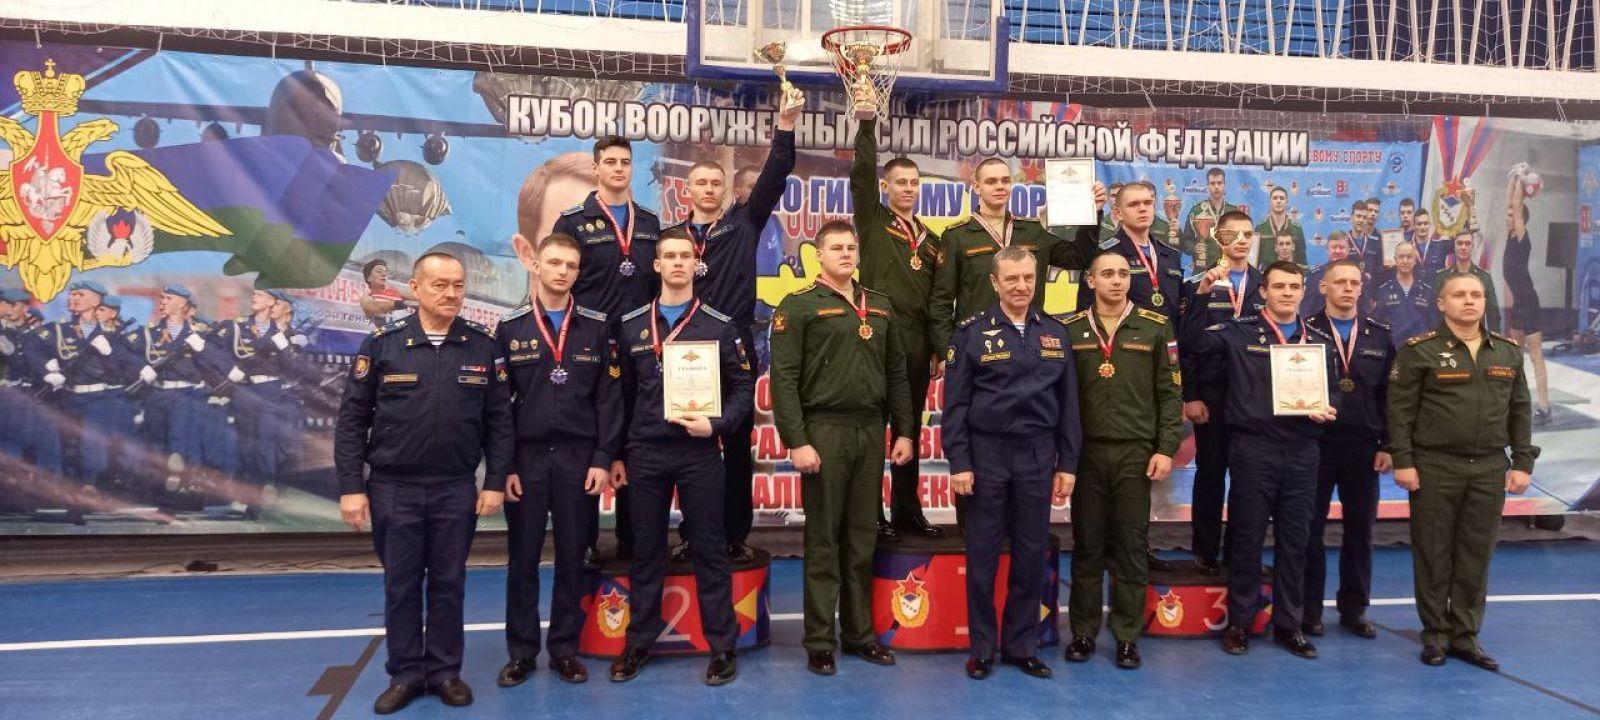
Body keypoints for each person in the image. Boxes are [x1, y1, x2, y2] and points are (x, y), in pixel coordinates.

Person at [334, 252, 512, 714]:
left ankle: (446, 671)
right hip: (394, 488)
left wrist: (494, 481)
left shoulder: (482, 345)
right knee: (402, 586)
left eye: (458, 285)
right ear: (415, 288)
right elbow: (352, 421)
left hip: (455, 487)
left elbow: (499, 421)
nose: (451, 293)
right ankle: (407, 674)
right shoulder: (383, 345)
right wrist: (351, 487)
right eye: (439, 285)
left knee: (450, 583)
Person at [607, 228, 752, 686]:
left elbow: (743, 388)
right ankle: (638, 644)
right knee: (646, 551)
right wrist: (616, 454)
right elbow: (619, 397)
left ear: (695, 265)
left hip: (699, 452)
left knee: (709, 548)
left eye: (684, 256)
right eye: (668, 256)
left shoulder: (719, 325)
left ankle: (722, 646)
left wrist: (718, 424)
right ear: (657, 265)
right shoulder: (631, 325)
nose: (676, 263)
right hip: (645, 453)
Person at [770, 220, 914, 676]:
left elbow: (897, 374)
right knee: (824, 540)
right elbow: (783, 380)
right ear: (818, 255)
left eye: (851, 247)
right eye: (837, 248)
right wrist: (797, 440)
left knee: (862, 538)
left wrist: (905, 431)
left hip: (870, 430)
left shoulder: (881, 306)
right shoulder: (798, 306)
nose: (847, 254)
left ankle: (859, 634)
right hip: (824, 431)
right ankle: (819, 640)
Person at [664, 91, 798, 562]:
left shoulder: (744, 224)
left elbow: (775, 175)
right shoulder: (673, 240)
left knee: (737, 446)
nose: (708, 189)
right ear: (687, 191)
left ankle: (735, 535)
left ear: (725, 190)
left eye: (715, 183)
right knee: (689, 448)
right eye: (700, 183)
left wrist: (785, 125)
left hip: (735, 348)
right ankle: (692, 534)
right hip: (685, 353)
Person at [931, 158, 1101, 526]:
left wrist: (1092, 213)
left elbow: (1078, 257)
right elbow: (941, 301)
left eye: (1005, 180)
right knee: (976, 453)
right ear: (976, 187)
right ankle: (974, 536)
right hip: (979, 358)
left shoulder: (1032, 231)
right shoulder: (957, 236)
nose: (999, 187)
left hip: (1029, 353)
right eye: (991, 181)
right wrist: (947, 352)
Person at [1181, 260, 1339, 659]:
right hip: (1254, 449)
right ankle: (1239, 623)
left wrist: (1328, 407)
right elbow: (1193, 344)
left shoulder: (1318, 340)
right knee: (1247, 538)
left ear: (1304, 292)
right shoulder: (1238, 332)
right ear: (1263, 292)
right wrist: (1201, 297)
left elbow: (1335, 389)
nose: (1287, 293)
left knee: (1295, 541)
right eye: (1279, 286)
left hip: (1303, 449)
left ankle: (1289, 625)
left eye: (1294, 287)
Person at [943, 246, 1081, 681]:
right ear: (994, 282)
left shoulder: (1055, 333)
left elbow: (1069, 406)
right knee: (982, 556)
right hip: (986, 456)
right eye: (1012, 279)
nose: (1021, 286)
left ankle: (1022, 647)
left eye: (1028, 278)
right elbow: (955, 405)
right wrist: (960, 462)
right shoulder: (970, 333)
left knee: (1030, 555)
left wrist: (1068, 464)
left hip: (1038, 455)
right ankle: (982, 648)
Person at [1388, 272, 1538, 670]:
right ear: (1442, 303)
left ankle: (1465, 636)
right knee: (1434, 553)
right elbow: (1399, 412)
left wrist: (1523, 462)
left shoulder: (1507, 352)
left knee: (1476, 554)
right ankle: (1436, 635)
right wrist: (1403, 460)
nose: (1469, 301)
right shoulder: (1419, 351)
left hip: (1489, 466)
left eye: (1476, 294)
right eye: (1459, 295)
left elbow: (1520, 409)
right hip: (1435, 465)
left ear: (1485, 302)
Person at [495, 233, 624, 687]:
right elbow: (498, 407)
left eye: (570, 265)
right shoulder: (510, 328)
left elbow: (609, 398)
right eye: (554, 263)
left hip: (578, 460)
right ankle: (522, 653)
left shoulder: (596, 327)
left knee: (574, 558)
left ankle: (565, 650)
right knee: (523, 561)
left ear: (578, 272)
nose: (562, 271)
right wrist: (505, 467)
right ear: (537, 265)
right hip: (526, 462)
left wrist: (603, 458)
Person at [1060, 251, 1183, 669]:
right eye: (1107, 274)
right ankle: (1083, 632)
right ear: (1090, 281)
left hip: (1135, 453)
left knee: (1131, 547)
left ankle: (1127, 635)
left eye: (1123, 274)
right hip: (1087, 454)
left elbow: (1170, 393)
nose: (1116, 280)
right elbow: (1060, 398)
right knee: (1087, 546)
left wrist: (1165, 448)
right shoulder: (1069, 329)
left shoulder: (1155, 326)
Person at [551, 135, 664, 560]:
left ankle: (633, 541)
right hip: (589, 348)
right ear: (595, 168)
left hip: (639, 350)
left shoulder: (650, 222)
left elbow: (657, 287)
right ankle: (582, 543)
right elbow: (560, 282)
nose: (618, 168)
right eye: (610, 161)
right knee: (589, 441)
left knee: (636, 443)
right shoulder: (572, 222)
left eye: (625, 162)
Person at [851, 115, 944, 540]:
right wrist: (867, 127)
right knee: (874, 429)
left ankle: (908, 512)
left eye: (914, 182)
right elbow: (861, 177)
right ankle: (871, 514)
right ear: (886, 187)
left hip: (916, 344)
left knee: (910, 428)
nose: (908, 188)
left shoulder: (932, 240)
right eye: (900, 182)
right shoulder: (873, 221)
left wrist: (936, 347)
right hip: (875, 339)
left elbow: (938, 301)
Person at [1302, 261, 1394, 640]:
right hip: (1316, 445)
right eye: (1340, 282)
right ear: (1323, 287)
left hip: (1363, 448)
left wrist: (1389, 444)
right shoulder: (1305, 332)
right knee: (1309, 531)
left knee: (1360, 532)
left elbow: (1390, 396)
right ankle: (1309, 611)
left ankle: (1354, 609)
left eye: (1354, 282)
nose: (1348, 288)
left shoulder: (1379, 336)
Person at [1179, 211, 1262, 574]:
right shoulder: (1200, 283)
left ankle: (1240, 552)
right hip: (1212, 393)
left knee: (1249, 478)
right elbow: (1187, 345)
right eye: (1232, 234)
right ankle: (1205, 550)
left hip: (1254, 397)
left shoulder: (1266, 284)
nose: (1241, 240)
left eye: (1247, 234)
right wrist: (1191, 395)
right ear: (1218, 238)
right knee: (1211, 473)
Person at [31, 280, 125, 520]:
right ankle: (76, 495)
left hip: (97, 398)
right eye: (71, 294)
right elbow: (30, 346)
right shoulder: (58, 329)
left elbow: (124, 370)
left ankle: (89, 485)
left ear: (96, 301)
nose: (72, 298)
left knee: (92, 447)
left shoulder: (110, 335)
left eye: (80, 295)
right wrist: (47, 369)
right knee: (68, 446)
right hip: (67, 397)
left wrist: (109, 353)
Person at [125, 285, 212, 505]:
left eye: (169, 298)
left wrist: (203, 350)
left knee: (181, 442)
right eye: (162, 298)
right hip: (157, 394)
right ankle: (164, 490)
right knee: (157, 445)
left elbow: (218, 362)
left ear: (183, 304)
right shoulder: (148, 332)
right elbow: (120, 352)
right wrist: (140, 367)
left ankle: (185, 486)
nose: (162, 302)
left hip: (186, 394)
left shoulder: (200, 334)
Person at [1088, 182, 1185, 325]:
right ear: (1118, 213)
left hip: (1168, 337)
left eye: (1148, 203)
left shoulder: (1171, 255)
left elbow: (1180, 310)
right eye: (1133, 204)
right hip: (1124, 338)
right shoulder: (1104, 255)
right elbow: (1088, 311)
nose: (1142, 209)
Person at [0, 289, 58, 516]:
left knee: (22, 445)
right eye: (5, 304)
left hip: (22, 395)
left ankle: (20, 495)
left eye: (13, 305)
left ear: (25, 307)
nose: (8, 309)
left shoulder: (28, 333)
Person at [1502, 168, 1552, 424]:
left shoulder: (1522, 237)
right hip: (1517, 305)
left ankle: (1544, 407)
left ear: (1521, 218)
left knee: (1535, 356)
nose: (1508, 216)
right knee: (1515, 357)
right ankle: (1516, 403)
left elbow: (1516, 203)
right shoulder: (1510, 236)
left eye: (1513, 215)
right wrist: (1513, 177)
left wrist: (1521, 176)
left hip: (1528, 302)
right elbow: (1510, 202)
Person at [1373, 242, 1437, 348]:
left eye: (1409, 257)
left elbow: (1434, 325)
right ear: (1395, 260)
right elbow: (1378, 324)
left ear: (1415, 260)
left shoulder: (1427, 291)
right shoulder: (1384, 290)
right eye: (1401, 257)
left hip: (1421, 350)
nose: (1405, 261)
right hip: (1393, 349)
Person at [1433, 233, 1499, 334]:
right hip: (1448, 335)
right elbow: (1435, 312)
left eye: (1467, 243)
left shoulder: (1484, 277)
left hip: (1476, 335)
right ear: (1454, 246)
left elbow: (1493, 313)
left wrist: (1493, 340)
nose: (1463, 247)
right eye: (1459, 243)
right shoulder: (1442, 277)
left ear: (1473, 246)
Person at [1180, 167, 1238, 266]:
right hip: (1202, 267)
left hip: (1228, 267)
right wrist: (1194, 248)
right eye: (1212, 183)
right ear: (1207, 186)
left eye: (1219, 183)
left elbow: (1240, 240)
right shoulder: (1196, 211)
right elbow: (1185, 241)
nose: (1216, 187)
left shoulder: (1234, 212)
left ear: (1225, 185)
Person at [1255, 186, 1306, 267]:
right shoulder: (1261, 228)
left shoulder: (1296, 229)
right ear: (1270, 202)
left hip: (1289, 271)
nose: (1278, 201)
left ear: (1286, 202)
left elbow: (1302, 261)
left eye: (1281, 198)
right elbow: (1255, 259)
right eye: (1275, 198)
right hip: (1267, 272)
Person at [360, 259, 413, 327]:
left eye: (385, 272)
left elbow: (420, 297)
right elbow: (373, 307)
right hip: (383, 333)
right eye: (379, 271)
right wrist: (402, 304)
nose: (384, 274)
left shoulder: (400, 293)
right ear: (368, 278)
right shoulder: (367, 299)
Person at [1408, 210, 1450, 279]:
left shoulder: (1441, 246)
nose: (1422, 227)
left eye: (1425, 223)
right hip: (1415, 285)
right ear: (1414, 226)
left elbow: (1460, 244)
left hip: (1436, 285)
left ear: (1430, 224)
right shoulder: (1407, 248)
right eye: (1419, 224)